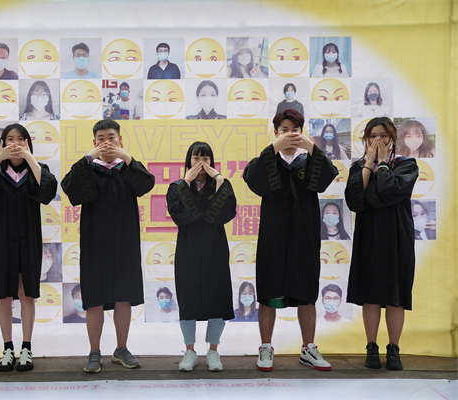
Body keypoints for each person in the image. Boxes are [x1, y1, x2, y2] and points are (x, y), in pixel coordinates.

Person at [243, 109, 338, 372]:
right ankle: (266, 347)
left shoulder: (310, 160)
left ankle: (308, 348)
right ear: (275, 133)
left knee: (306, 290)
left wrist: (310, 146)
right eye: (284, 130)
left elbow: (327, 177)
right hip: (273, 237)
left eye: (295, 130)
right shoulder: (267, 160)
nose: (290, 135)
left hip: (304, 236)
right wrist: (274, 147)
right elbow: (252, 180)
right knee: (269, 290)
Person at [61, 120, 155, 373]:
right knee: (95, 299)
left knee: (124, 296)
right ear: (94, 142)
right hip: (95, 244)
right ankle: (94, 352)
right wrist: (89, 157)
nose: (106, 142)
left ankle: (121, 349)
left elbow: (147, 184)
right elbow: (69, 188)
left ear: (120, 139)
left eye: (111, 137)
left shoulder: (128, 168)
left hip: (125, 243)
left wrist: (127, 156)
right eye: (100, 138)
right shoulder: (88, 169)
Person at [0, 123, 58, 372]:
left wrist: (30, 157)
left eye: (20, 139)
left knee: (26, 294)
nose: (15, 143)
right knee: (3, 295)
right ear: (2, 143)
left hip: (29, 239)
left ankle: (26, 348)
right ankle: (7, 348)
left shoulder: (37, 169)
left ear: (28, 142)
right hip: (0, 240)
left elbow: (48, 191)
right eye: (9, 139)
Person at [345, 117, 418, 371]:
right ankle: (372, 347)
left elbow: (390, 189)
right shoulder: (358, 167)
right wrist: (369, 163)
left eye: (384, 136)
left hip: (398, 235)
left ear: (393, 139)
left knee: (396, 295)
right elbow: (355, 199)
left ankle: (394, 349)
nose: (378, 140)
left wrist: (384, 163)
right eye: (373, 136)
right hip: (369, 236)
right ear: (365, 139)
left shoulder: (406, 165)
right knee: (371, 293)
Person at [167, 141, 237, 372]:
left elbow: (221, 215)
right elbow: (182, 216)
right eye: (196, 158)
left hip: (215, 248)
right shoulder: (177, 186)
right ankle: (190, 351)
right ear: (188, 161)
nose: (201, 163)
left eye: (205, 159)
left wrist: (219, 180)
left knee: (217, 297)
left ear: (212, 161)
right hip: (188, 249)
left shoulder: (221, 184)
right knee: (188, 299)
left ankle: (213, 351)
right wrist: (186, 183)